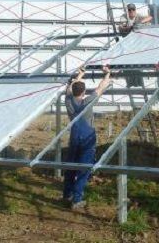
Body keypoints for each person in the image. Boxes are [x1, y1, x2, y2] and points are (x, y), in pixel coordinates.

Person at [63, 65, 111, 210]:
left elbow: (69, 88)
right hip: (87, 138)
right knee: (84, 168)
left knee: (71, 166)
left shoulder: (68, 101)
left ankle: (67, 194)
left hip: (74, 136)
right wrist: (107, 74)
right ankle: (77, 199)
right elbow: (101, 87)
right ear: (83, 92)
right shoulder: (87, 102)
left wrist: (79, 75)